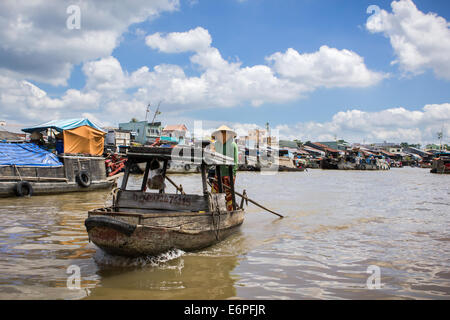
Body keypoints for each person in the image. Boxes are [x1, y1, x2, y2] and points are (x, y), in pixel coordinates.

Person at [210, 125, 238, 211]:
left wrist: (233, 174)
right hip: (218, 173)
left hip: (228, 174)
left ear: (229, 135)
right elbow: (213, 158)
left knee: (229, 194)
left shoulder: (233, 145)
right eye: (221, 133)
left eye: (224, 133)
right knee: (215, 193)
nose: (222, 135)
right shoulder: (216, 144)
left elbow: (235, 162)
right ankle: (215, 209)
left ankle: (230, 211)